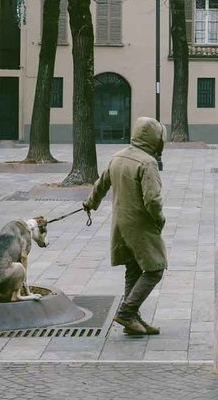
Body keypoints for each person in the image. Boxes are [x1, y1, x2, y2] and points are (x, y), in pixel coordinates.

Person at [83, 116, 167, 336]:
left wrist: (90, 204)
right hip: (140, 225)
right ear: (155, 139)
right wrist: (159, 220)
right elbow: (152, 200)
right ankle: (128, 311)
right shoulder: (147, 163)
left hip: (120, 223)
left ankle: (133, 319)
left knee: (133, 268)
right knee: (155, 268)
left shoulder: (118, 157)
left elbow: (101, 185)